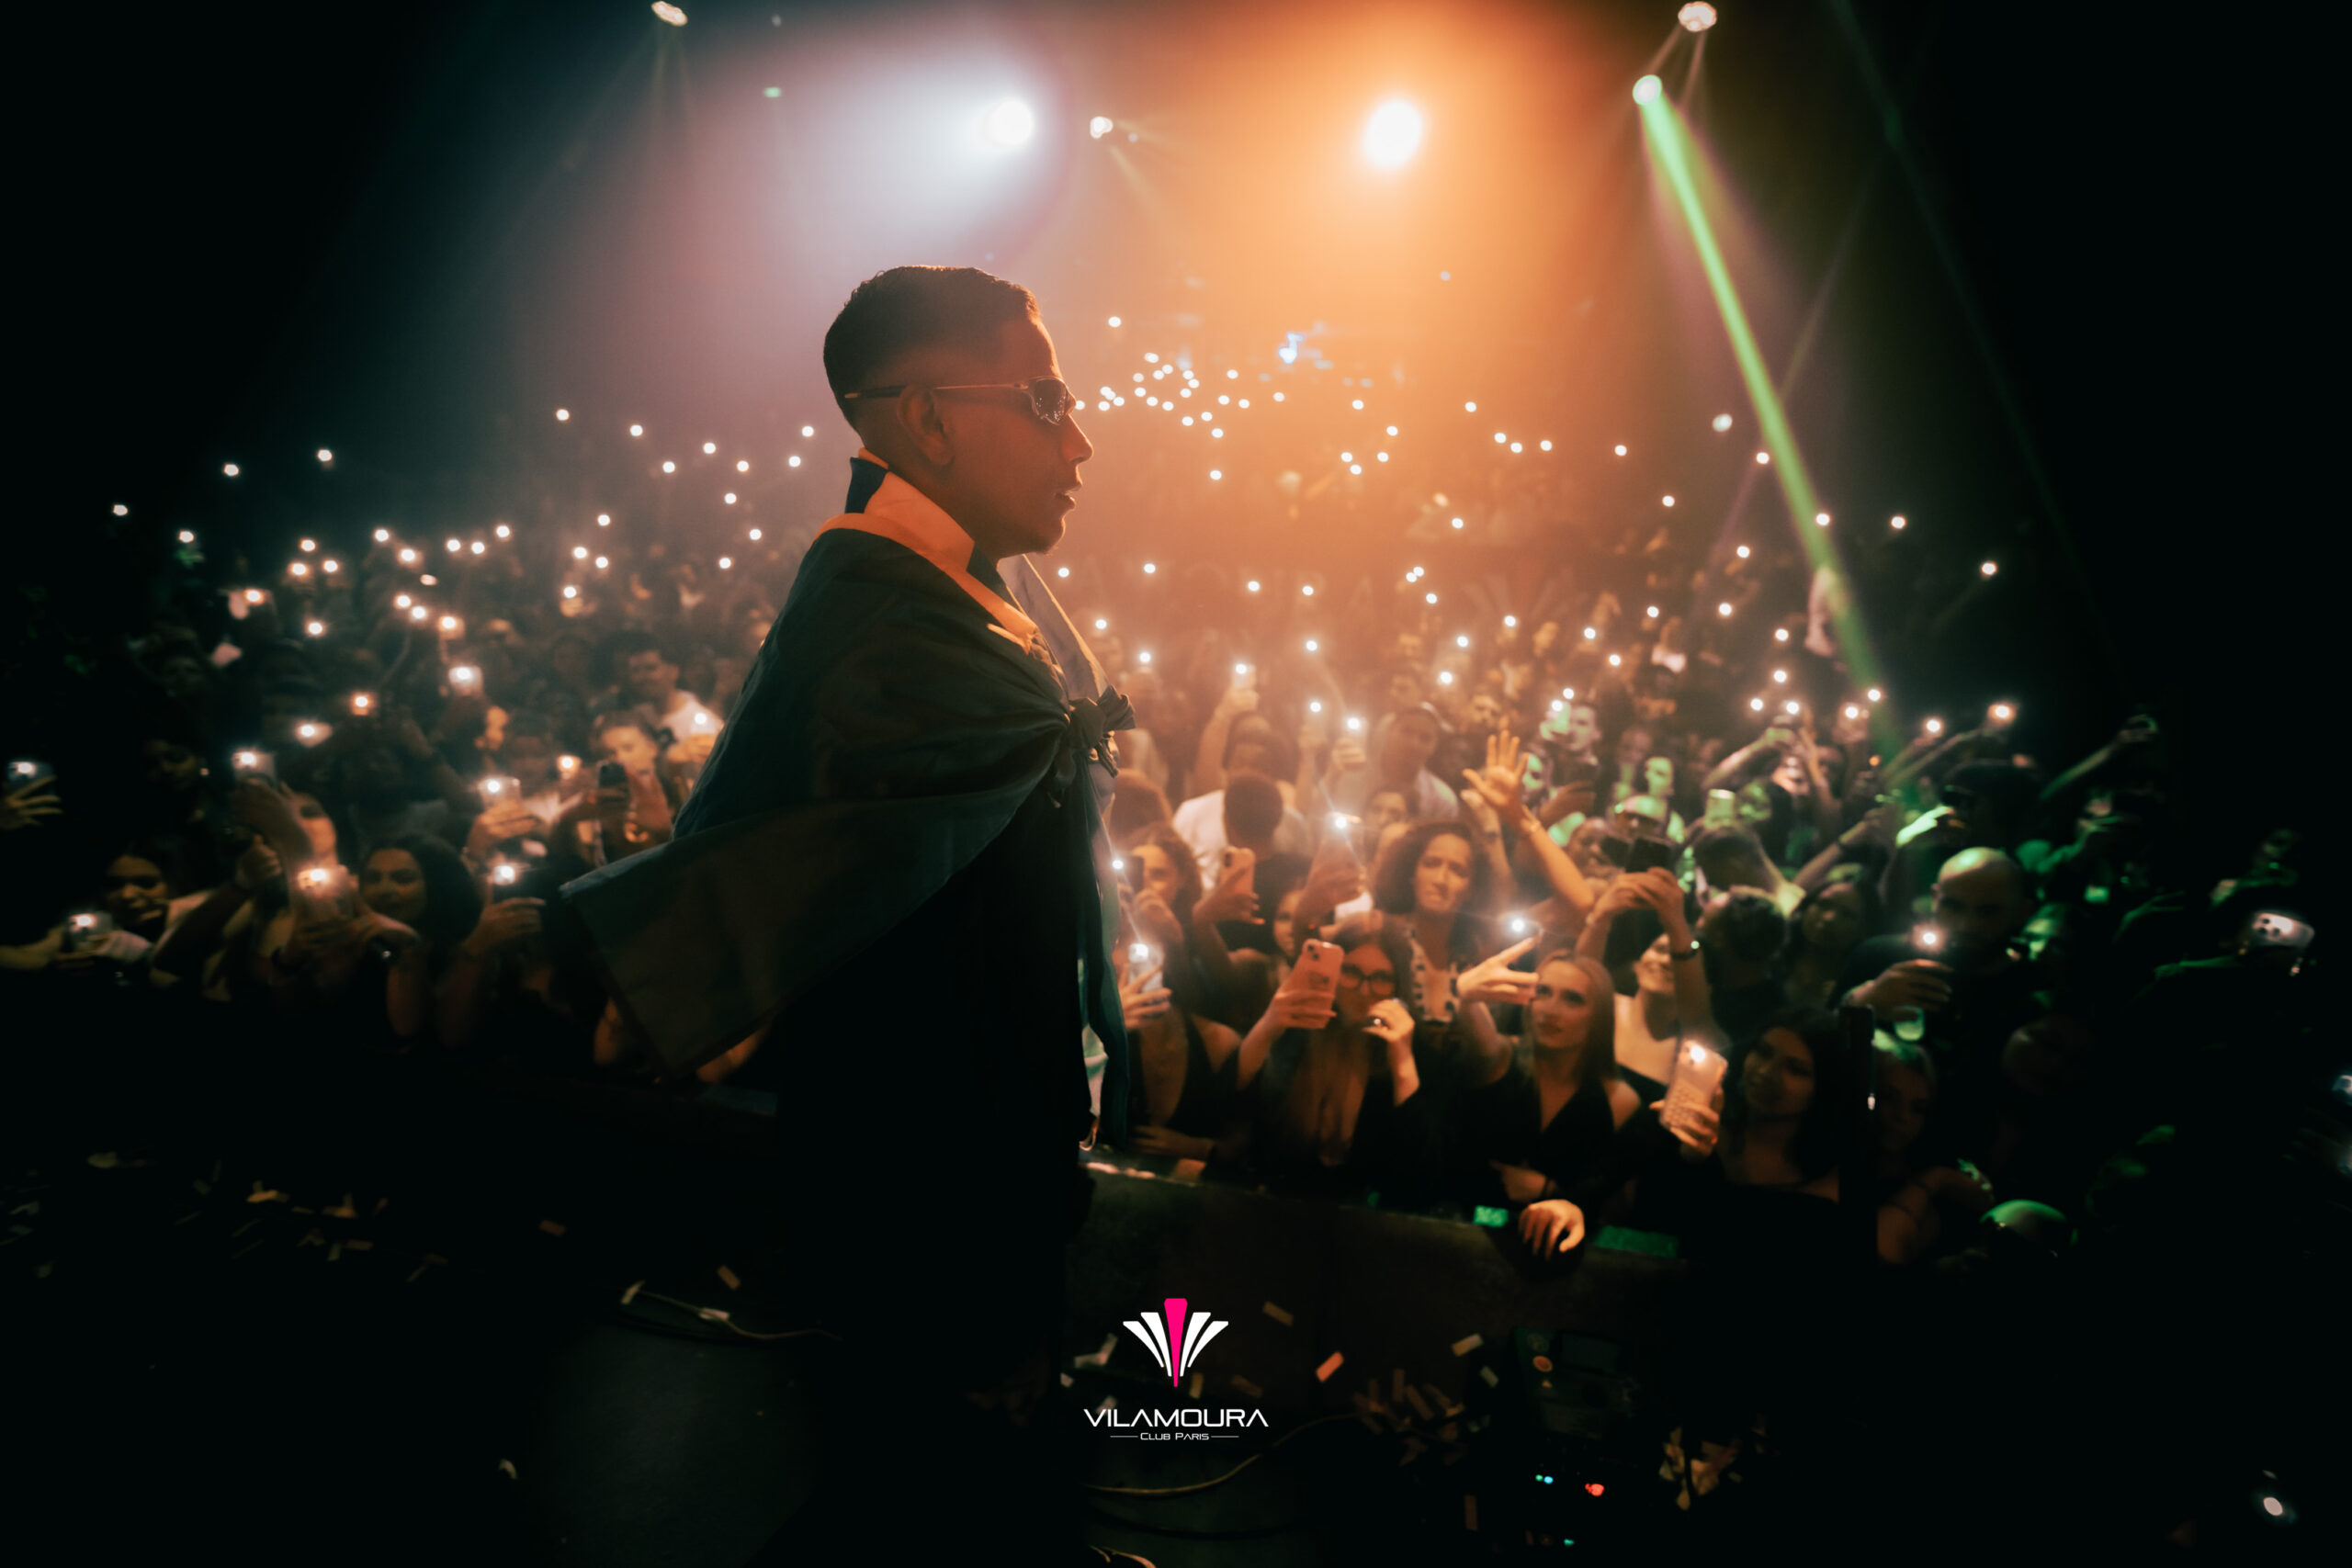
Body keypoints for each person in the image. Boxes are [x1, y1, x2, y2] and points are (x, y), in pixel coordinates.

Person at [561, 265, 1131, 1560]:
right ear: (926, 418)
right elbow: (846, 919)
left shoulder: (966, 596)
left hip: (989, 1160)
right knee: (921, 1491)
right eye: (1046, 399)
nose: (1079, 441)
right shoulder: (881, 616)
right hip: (929, 1191)